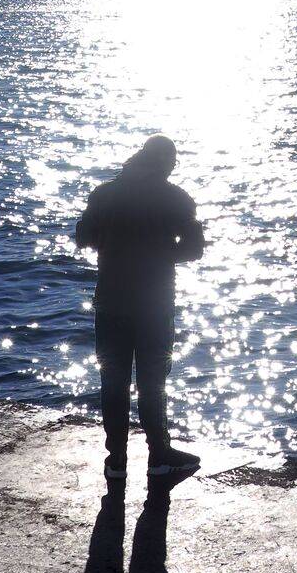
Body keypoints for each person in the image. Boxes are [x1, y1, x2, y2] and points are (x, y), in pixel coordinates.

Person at [75, 134, 205, 481]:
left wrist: (115, 246)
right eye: (173, 161)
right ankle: (159, 454)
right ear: (166, 163)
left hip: (111, 301)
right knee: (153, 382)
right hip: (154, 304)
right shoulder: (176, 198)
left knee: (113, 381)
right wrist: (158, 255)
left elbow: (83, 236)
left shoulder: (104, 194)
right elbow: (194, 249)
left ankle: (116, 459)